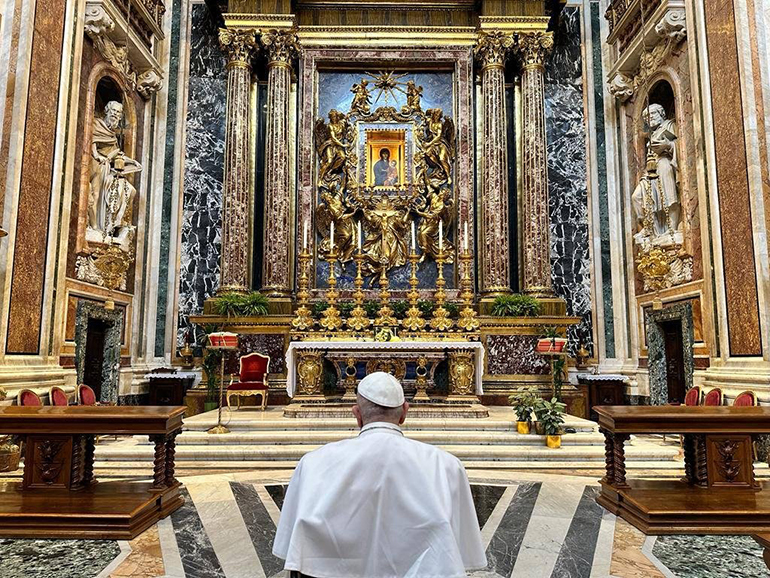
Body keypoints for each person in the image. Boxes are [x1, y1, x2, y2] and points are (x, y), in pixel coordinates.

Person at [273, 372, 487, 578]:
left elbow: (291, 548)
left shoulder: (313, 463)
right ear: (404, 412)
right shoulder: (447, 466)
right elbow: (460, 552)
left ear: (357, 414)